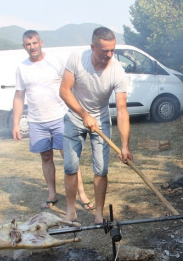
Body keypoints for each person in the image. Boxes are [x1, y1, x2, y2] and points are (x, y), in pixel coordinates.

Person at [13, 30, 94, 210]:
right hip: (37, 121)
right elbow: (19, 96)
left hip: (60, 117)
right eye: (28, 44)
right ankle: (52, 194)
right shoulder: (22, 68)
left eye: (34, 43)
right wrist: (16, 124)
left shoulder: (56, 61)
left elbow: (70, 86)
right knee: (46, 157)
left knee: (70, 158)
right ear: (24, 46)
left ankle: (82, 194)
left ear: (41, 42)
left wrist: (79, 111)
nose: (32, 47)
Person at [59, 27, 132, 224]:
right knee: (70, 167)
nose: (109, 55)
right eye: (104, 51)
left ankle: (98, 214)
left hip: (100, 119)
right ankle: (70, 211)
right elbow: (64, 91)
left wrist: (124, 145)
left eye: (112, 50)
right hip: (75, 116)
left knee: (101, 170)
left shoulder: (117, 71)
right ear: (93, 47)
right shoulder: (77, 59)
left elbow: (122, 110)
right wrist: (83, 114)